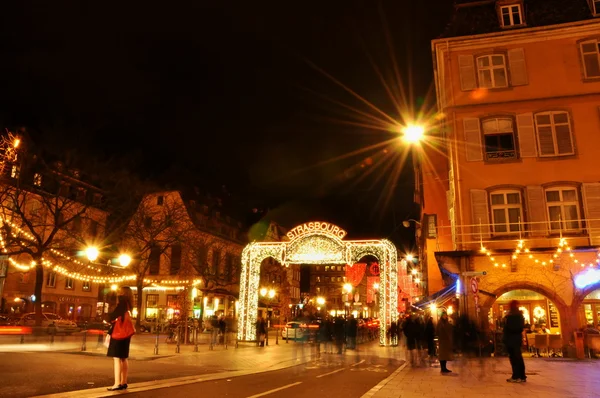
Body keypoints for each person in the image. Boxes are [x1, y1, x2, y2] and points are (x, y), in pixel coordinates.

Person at [106, 286, 134, 391]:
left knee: (116, 358)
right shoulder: (129, 305)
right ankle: (123, 382)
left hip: (119, 334)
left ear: (123, 293)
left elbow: (113, 316)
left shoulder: (122, 303)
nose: (118, 292)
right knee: (123, 357)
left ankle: (117, 383)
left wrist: (109, 317)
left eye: (120, 291)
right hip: (126, 334)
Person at [503, 300, 526, 383]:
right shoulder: (518, 315)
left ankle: (517, 376)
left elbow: (511, 328)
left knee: (515, 358)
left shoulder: (513, 316)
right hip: (515, 339)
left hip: (512, 339)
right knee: (518, 357)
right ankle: (521, 376)